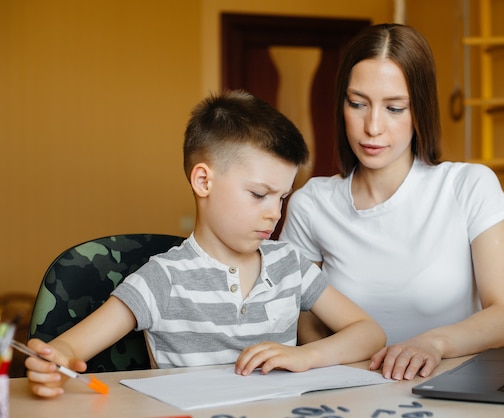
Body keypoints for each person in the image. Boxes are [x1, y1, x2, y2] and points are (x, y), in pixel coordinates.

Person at [25, 90, 386, 398]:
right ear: (203, 181)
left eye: (282, 198)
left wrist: (306, 356)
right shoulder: (163, 278)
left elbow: (369, 333)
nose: (274, 214)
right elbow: (69, 347)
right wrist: (53, 361)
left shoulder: (289, 264)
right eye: (259, 195)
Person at [280, 24, 504, 381]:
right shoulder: (313, 203)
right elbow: (300, 319)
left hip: (454, 387)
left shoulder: (469, 186)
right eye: (357, 104)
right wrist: (337, 374)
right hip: (349, 390)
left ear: (420, 110)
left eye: (394, 108)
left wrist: (433, 344)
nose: (373, 126)